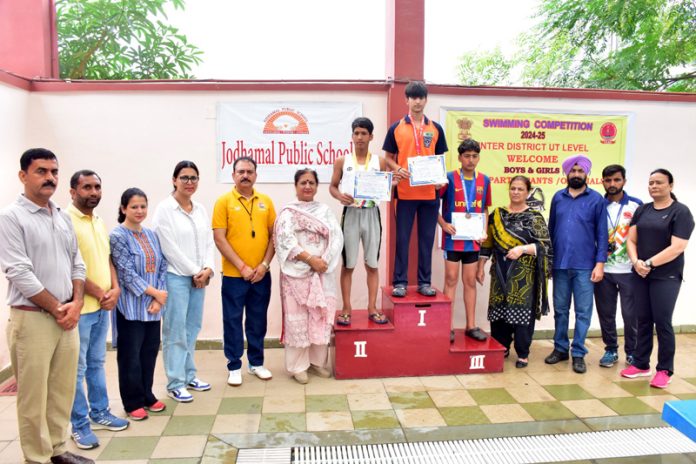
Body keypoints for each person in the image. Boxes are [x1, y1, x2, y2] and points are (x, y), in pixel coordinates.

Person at [0, 148, 92, 464]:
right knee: (32, 397)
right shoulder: (11, 217)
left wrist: (77, 303)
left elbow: (77, 264)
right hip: (33, 319)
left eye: (54, 171)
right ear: (23, 176)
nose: (50, 177)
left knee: (62, 390)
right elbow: (19, 272)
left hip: (66, 316)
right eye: (41, 171)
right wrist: (58, 307)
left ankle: (57, 450)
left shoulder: (62, 217)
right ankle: (36, 458)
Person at [67, 170, 129, 450]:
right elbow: (69, 266)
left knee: (96, 364)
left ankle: (100, 412)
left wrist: (114, 289)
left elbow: (107, 259)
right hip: (80, 308)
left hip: (103, 306)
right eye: (86, 187)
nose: (93, 192)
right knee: (75, 370)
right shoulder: (65, 221)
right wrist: (101, 293)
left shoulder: (99, 221)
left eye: (97, 187)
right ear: (72, 192)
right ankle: (79, 425)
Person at [621, 169, 694, 388]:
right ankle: (641, 364)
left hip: (666, 276)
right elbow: (631, 240)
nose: (653, 186)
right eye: (650, 182)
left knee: (662, 322)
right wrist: (636, 262)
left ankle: (664, 369)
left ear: (671, 185)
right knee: (642, 319)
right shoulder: (643, 210)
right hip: (640, 273)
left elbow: (678, 247)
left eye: (659, 182)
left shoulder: (680, 212)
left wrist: (649, 263)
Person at [153, 161, 215, 402]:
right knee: (175, 331)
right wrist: (195, 271)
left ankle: (189, 375)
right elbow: (169, 248)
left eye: (194, 178)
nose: (189, 182)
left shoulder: (199, 208)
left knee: (192, 328)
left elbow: (208, 241)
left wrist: (208, 269)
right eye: (184, 177)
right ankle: (175, 382)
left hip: (200, 278)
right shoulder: (164, 210)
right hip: (176, 277)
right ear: (174, 180)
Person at [275, 169, 344, 384]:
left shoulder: (325, 211)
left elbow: (336, 237)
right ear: (295, 186)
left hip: (323, 271)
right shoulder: (288, 213)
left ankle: (317, 363)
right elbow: (284, 240)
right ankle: (298, 367)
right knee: (299, 318)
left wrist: (323, 261)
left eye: (311, 182)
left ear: (317, 186)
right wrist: (309, 259)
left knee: (320, 317)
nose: (307, 186)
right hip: (296, 274)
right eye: (303, 182)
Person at [213, 156, 276, 386]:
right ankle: (234, 365)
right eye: (241, 171)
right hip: (233, 276)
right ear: (233, 175)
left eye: (250, 171)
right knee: (232, 320)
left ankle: (256, 363)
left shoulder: (266, 202)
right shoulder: (223, 202)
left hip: (261, 274)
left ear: (256, 175)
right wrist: (242, 267)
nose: (245, 175)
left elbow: (273, 237)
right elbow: (219, 238)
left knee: (257, 320)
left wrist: (264, 266)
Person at [479, 176, 552, 367]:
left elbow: (545, 246)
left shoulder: (535, 217)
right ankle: (501, 346)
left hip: (524, 275)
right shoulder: (497, 214)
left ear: (528, 192)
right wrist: (480, 267)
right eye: (513, 188)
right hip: (500, 272)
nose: (516, 192)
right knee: (499, 310)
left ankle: (522, 352)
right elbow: (487, 244)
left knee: (521, 312)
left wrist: (523, 249)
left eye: (520, 189)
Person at [383, 81, 448, 297]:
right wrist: (398, 168)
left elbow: (440, 160)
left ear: (426, 100)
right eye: (413, 98)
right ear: (407, 100)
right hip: (404, 193)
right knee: (402, 239)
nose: (417, 101)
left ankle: (424, 282)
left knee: (426, 240)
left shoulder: (436, 128)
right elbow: (388, 159)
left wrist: (439, 179)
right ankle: (399, 282)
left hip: (430, 194)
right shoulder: (396, 128)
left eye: (421, 97)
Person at [545, 154, 608, 374]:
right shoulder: (557, 198)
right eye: (573, 171)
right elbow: (550, 231)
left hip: (585, 265)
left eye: (581, 171)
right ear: (567, 173)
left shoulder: (596, 199)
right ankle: (560, 348)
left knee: (583, 312)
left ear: (587, 174)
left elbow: (602, 234)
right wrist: (549, 261)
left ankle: (578, 353)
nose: (577, 174)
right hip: (560, 264)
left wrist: (600, 263)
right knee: (561, 310)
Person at [330, 117, 395, 325]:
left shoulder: (380, 162)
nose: (359, 137)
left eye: (364, 133)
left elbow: (387, 184)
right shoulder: (342, 161)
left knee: (372, 265)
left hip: (371, 213)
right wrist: (340, 196)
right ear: (352, 136)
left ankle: (372, 307)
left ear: (371, 136)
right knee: (348, 264)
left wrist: (394, 181)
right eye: (356, 133)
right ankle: (347, 308)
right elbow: (332, 186)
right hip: (350, 214)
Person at [110, 188, 168, 420]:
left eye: (143, 206)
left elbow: (163, 265)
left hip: (153, 308)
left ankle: (147, 395)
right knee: (130, 357)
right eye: (134, 206)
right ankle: (132, 401)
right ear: (124, 208)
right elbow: (125, 272)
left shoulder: (151, 235)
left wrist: (158, 298)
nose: (139, 211)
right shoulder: (117, 236)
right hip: (130, 308)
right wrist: (154, 293)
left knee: (149, 353)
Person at [438, 139, 492, 341]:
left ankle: (471, 325)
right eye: (467, 156)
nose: (471, 160)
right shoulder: (449, 178)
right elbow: (434, 203)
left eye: (474, 156)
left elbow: (485, 209)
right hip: (453, 239)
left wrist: (484, 231)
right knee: (450, 280)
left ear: (478, 157)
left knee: (470, 281)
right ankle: (447, 326)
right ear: (460, 158)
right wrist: (443, 224)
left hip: (472, 241)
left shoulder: (484, 180)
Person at [594, 165, 643, 368]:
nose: (612, 184)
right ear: (602, 181)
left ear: (624, 180)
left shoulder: (636, 205)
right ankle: (610, 350)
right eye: (608, 180)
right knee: (606, 313)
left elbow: (644, 236)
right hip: (603, 270)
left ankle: (632, 352)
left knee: (631, 315)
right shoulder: (597, 205)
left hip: (629, 271)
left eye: (616, 180)